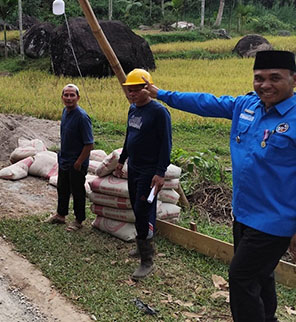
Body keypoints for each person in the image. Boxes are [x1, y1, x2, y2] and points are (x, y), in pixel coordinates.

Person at [142, 50, 296, 322]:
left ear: (293, 79)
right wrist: (162, 94)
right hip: (244, 214)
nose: (265, 85)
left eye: (275, 78)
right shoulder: (246, 106)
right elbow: (205, 102)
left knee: (241, 276)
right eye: (259, 78)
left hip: (276, 220)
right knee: (261, 274)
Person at [113, 68, 171, 280]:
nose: (132, 94)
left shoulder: (159, 112)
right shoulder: (133, 110)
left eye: (136, 90)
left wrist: (160, 172)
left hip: (149, 170)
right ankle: (141, 244)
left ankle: (147, 260)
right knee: (137, 208)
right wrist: (121, 160)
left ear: (148, 89)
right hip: (134, 168)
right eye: (129, 90)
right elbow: (130, 136)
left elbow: (166, 144)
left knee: (143, 209)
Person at [45, 84, 94, 232]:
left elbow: (89, 144)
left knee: (77, 191)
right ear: (62, 97)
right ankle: (60, 215)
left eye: (72, 95)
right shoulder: (65, 112)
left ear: (78, 98)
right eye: (66, 95)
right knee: (63, 188)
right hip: (65, 159)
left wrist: (79, 162)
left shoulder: (82, 117)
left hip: (76, 162)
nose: (69, 98)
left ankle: (79, 221)